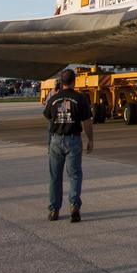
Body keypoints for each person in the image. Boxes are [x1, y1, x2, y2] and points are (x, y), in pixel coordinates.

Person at [43, 68, 94, 222]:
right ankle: (74, 206)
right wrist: (90, 139)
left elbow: (48, 117)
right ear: (74, 81)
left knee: (55, 177)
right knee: (75, 175)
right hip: (73, 140)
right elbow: (87, 121)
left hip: (56, 140)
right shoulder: (80, 98)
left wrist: (49, 142)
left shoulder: (53, 99)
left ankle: (54, 210)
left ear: (61, 81)